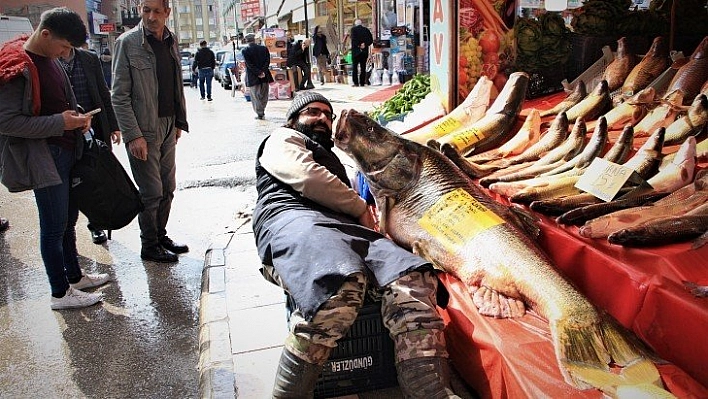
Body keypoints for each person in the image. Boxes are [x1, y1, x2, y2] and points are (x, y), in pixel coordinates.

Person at [252, 92, 459, 398]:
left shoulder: (333, 160)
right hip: (295, 222)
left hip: (346, 233)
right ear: (294, 119)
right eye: (313, 112)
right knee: (336, 286)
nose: (323, 118)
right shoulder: (281, 139)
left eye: (327, 114)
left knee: (412, 277)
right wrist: (361, 208)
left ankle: (430, 391)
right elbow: (307, 177)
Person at [0, 7, 111, 310]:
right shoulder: (17, 66)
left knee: (67, 222)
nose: (65, 54)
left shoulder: (49, 59)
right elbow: (7, 122)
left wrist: (77, 119)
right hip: (44, 160)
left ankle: (74, 278)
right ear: (45, 34)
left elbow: (60, 103)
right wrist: (61, 123)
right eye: (63, 47)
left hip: (64, 153)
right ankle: (60, 293)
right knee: (53, 227)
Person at [111, 0, 190, 263]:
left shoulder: (171, 39)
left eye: (157, 11)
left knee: (168, 187)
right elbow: (119, 96)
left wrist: (179, 121)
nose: (151, 16)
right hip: (144, 128)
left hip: (168, 124)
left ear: (167, 13)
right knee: (151, 191)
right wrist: (133, 135)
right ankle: (149, 245)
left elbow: (175, 83)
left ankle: (160, 235)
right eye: (146, 10)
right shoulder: (128, 42)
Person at [59, 46, 122, 245]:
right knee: (70, 182)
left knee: (95, 180)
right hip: (64, 133)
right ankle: (67, 233)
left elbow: (103, 92)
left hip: (94, 129)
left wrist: (113, 125)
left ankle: (96, 225)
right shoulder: (50, 59)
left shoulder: (88, 58)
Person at [241, 34, 273, 120]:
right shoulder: (264, 48)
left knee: (255, 96)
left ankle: (260, 113)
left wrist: (258, 72)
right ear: (254, 39)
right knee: (264, 95)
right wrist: (263, 71)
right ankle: (261, 111)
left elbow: (249, 64)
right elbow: (267, 61)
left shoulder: (245, 50)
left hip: (253, 77)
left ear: (246, 40)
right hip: (265, 75)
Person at [348, 19, 373, 87]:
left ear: (355, 24)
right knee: (363, 67)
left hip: (356, 52)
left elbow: (354, 39)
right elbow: (370, 40)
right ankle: (362, 82)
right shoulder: (366, 30)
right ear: (361, 24)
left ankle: (356, 83)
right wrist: (365, 44)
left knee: (355, 67)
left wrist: (359, 45)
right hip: (364, 51)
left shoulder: (353, 30)